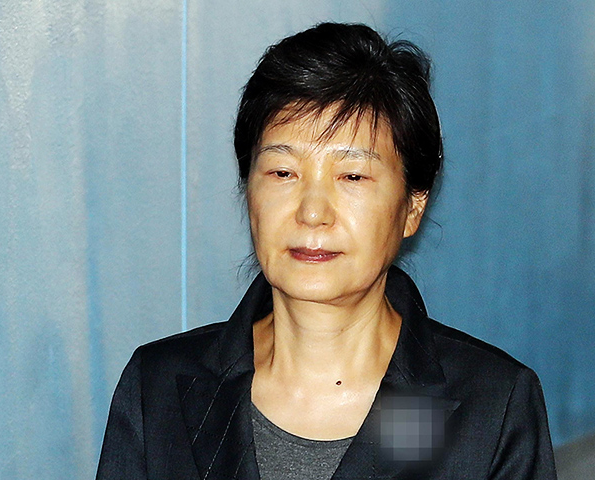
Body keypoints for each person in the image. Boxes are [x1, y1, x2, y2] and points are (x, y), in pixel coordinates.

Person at [96, 22, 557, 479]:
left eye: (352, 176)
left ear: (412, 207)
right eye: (282, 173)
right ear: (248, 189)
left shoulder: (491, 408)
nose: (313, 212)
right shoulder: (157, 390)